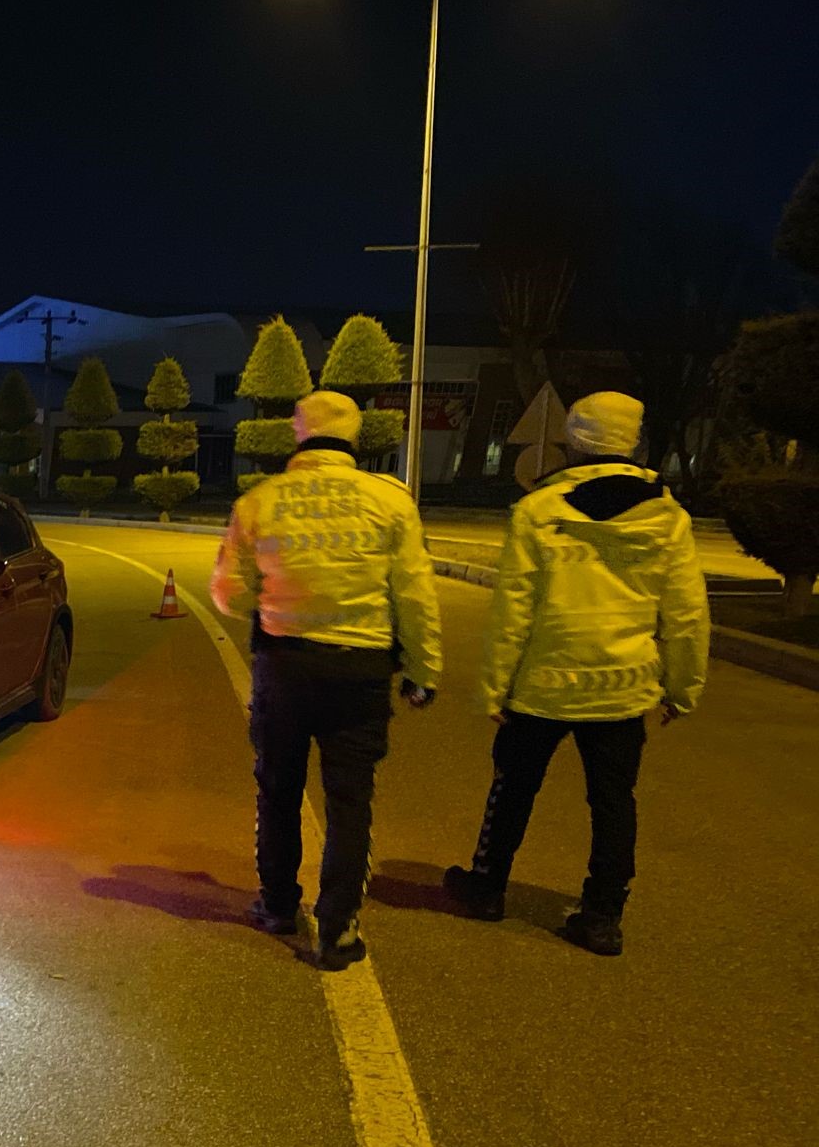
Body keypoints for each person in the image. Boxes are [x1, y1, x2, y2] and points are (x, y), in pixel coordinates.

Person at [442, 391, 708, 956]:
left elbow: (514, 608)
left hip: (543, 682)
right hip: (622, 686)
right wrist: (683, 689)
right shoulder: (666, 514)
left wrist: (494, 685)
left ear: (575, 437)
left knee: (513, 788)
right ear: (631, 439)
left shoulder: (541, 510)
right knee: (614, 800)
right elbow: (685, 613)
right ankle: (603, 914)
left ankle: (487, 888)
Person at [210, 390, 443, 970]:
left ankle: (279, 905)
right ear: (356, 437)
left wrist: (275, 602)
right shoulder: (390, 501)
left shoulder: (261, 501)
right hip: (361, 669)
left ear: (298, 434)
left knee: (279, 789)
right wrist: (423, 669)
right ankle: (337, 927)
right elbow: (413, 592)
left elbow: (229, 593)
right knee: (350, 799)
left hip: (284, 667)